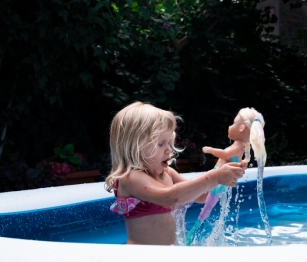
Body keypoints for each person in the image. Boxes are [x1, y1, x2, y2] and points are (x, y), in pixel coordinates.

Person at [105, 102, 246, 245]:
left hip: (168, 256)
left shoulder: (167, 173)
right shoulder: (131, 178)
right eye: (160, 144)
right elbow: (171, 197)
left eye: (169, 143)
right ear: (134, 147)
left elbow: (201, 195)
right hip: (142, 259)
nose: (168, 150)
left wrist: (222, 169)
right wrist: (214, 177)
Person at [184, 108, 266, 244]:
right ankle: (193, 228)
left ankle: (191, 232)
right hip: (222, 182)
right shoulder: (244, 147)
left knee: (202, 203)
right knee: (205, 205)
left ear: (241, 128)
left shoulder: (237, 147)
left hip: (219, 182)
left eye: (233, 124)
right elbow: (245, 160)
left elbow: (224, 154)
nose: (230, 127)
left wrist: (210, 150)